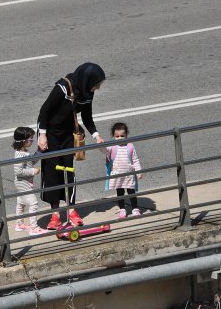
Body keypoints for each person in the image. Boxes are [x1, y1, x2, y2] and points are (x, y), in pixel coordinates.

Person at [37, 62, 106, 230]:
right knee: (53, 172)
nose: (97, 88)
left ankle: (72, 210)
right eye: (96, 84)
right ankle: (55, 214)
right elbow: (44, 111)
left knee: (68, 170)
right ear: (86, 80)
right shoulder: (62, 88)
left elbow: (87, 117)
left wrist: (96, 136)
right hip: (52, 135)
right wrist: (42, 134)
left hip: (68, 134)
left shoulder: (86, 92)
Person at [13, 127, 48, 236]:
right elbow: (18, 171)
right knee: (33, 203)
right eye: (31, 139)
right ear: (23, 141)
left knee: (21, 202)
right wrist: (33, 171)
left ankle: (19, 224)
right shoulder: (20, 155)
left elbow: (30, 162)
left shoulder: (23, 152)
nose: (32, 141)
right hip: (23, 183)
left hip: (21, 182)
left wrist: (39, 152)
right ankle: (34, 228)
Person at [104, 122, 143, 218]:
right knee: (120, 193)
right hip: (117, 175)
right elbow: (104, 151)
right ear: (113, 136)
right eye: (117, 136)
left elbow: (135, 160)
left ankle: (135, 208)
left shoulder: (130, 146)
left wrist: (138, 171)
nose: (120, 138)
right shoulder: (112, 146)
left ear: (126, 135)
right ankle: (122, 209)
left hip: (129, 174)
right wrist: (101, 145)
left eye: (122, 135)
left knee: (131, 192)